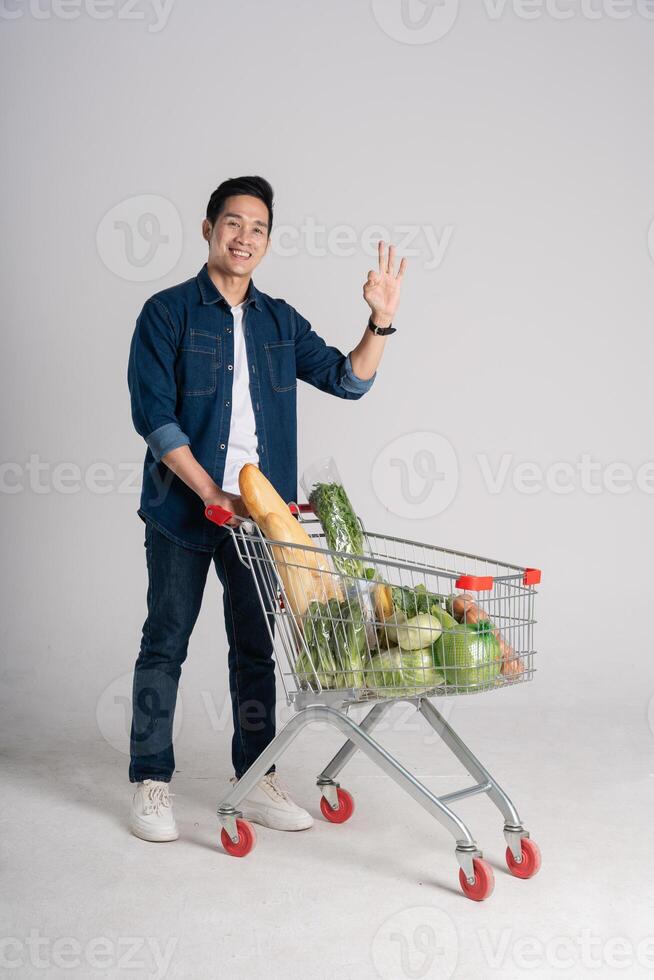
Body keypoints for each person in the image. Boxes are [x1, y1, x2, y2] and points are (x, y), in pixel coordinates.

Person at [126, 175, 407, 841]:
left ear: (268, 241)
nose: (243, 236)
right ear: (207, 229)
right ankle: (150, 781)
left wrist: (382, 319)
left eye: (257, 227)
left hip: (262, 520)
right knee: (166, 640)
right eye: (232, 222)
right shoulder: (167, 313)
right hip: (183, 508)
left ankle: (253, 778)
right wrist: (210, 493)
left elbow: (349, 380)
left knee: (255, 650)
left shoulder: (280, 321)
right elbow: (155, 419)